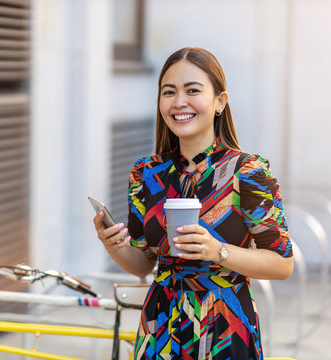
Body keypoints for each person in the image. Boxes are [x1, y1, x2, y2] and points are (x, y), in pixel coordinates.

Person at [93, 47, 293, 359]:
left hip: (225, 326)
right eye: (168, 92)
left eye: (192, 90)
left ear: (220, 102)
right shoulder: (146, 173)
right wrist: (114, 245)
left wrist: (217, 251)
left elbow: (282, 264)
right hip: (160, 324)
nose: (179, 102)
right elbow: (143, 263)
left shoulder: (248, 172)